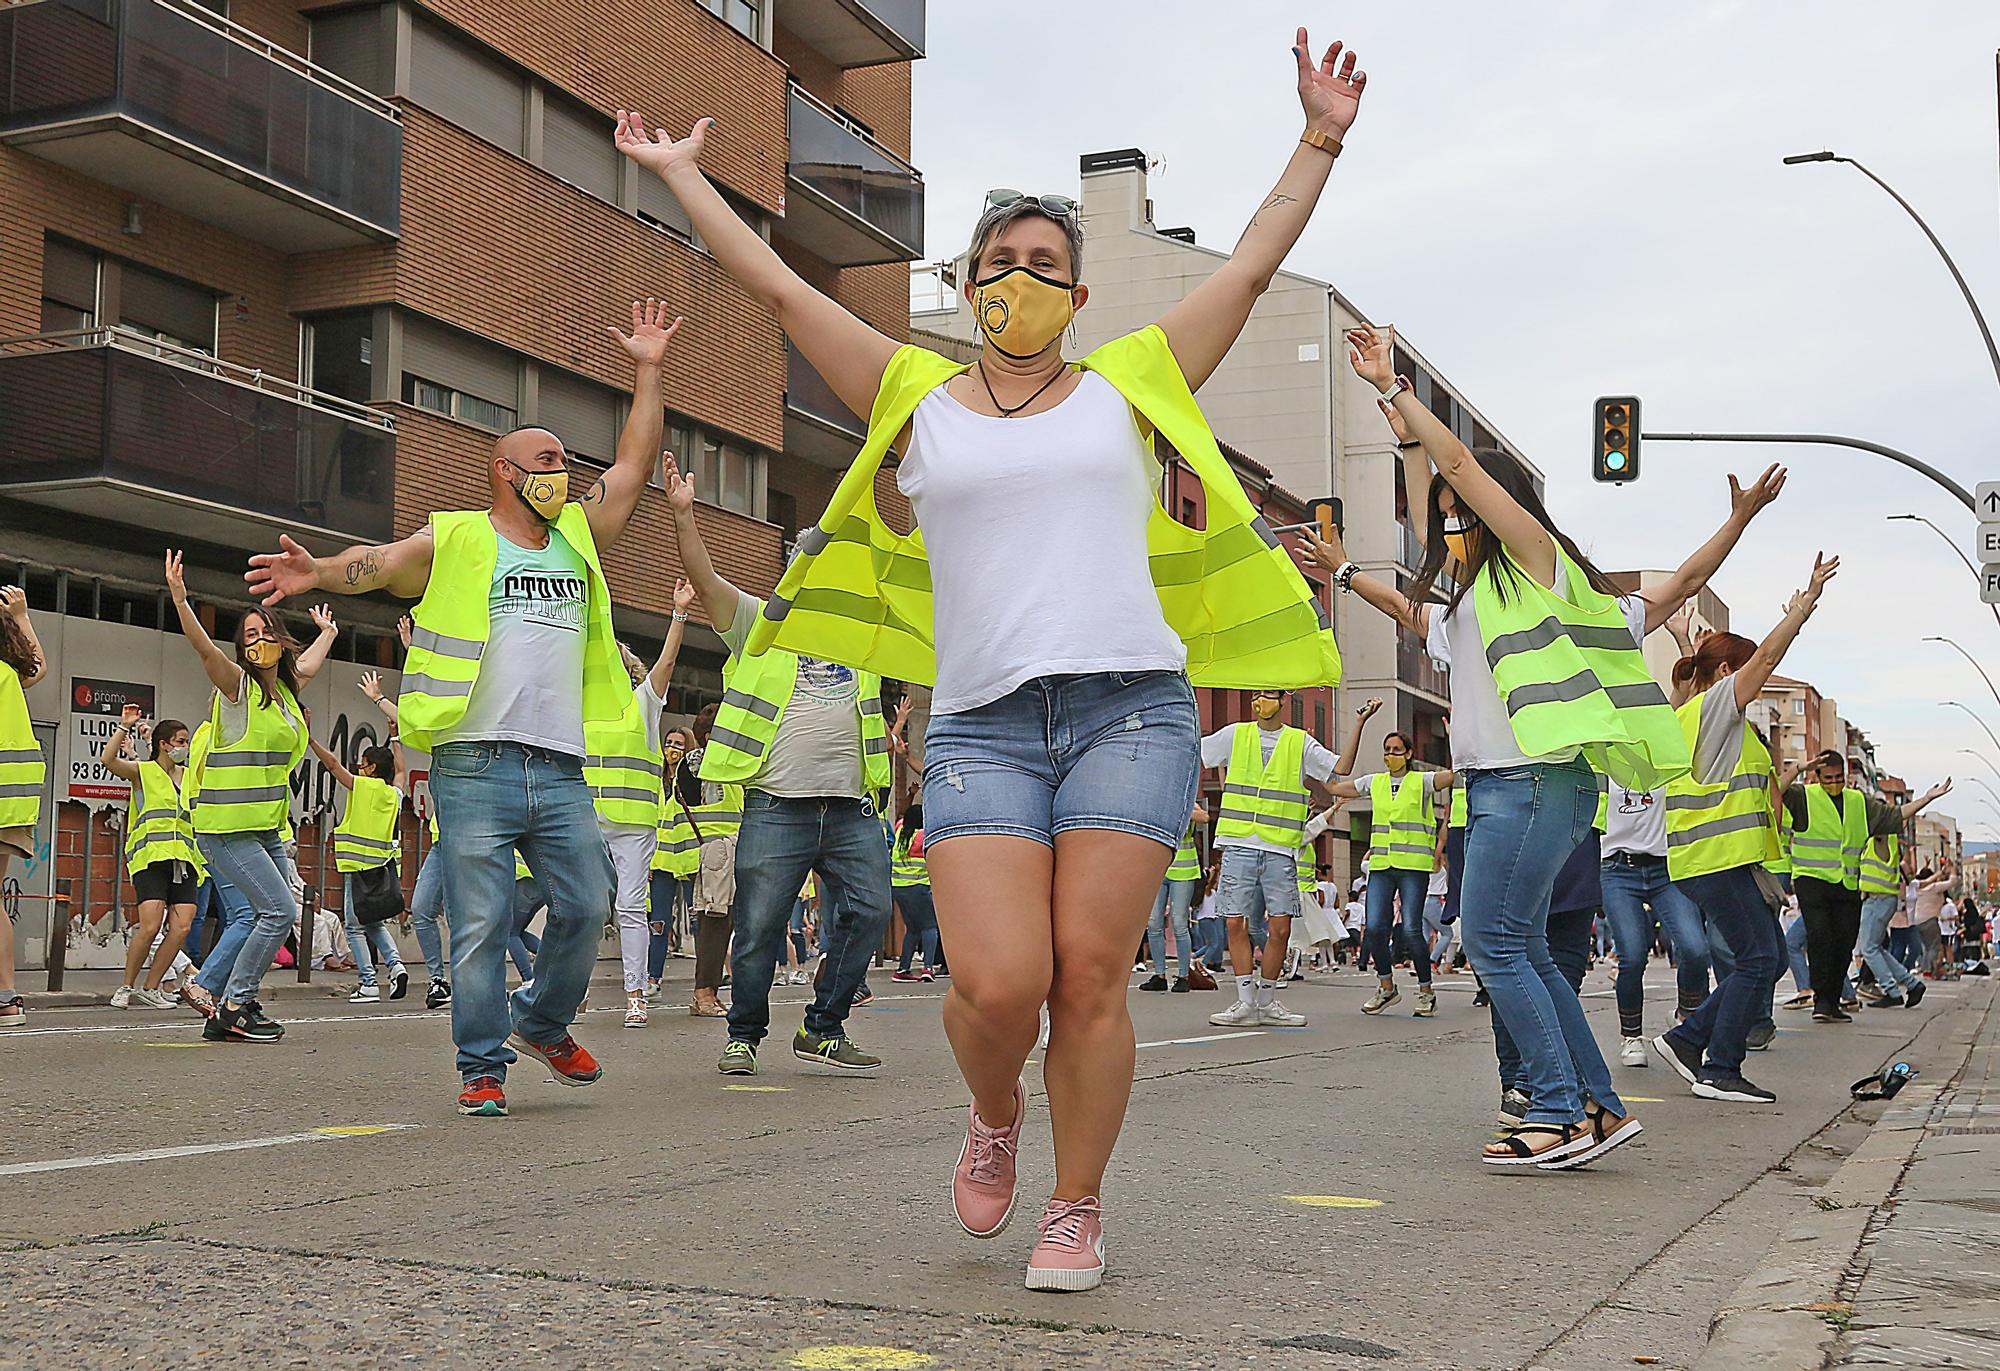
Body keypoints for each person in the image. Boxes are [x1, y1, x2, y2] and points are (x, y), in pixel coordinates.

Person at [613, 27, 1359, 1290]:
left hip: (1131, 712)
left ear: (1078, 295)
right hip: (978, 728)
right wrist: (682, 177)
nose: (1022, 278)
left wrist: (1318, 138)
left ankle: (1075, 1205)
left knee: (1086, 978)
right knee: (998, 986)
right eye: (1001, 261)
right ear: (969, 283)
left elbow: (1249, 262)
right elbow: (783, 295)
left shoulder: (1131, 380)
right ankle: (994, 1110)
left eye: (1046, 265)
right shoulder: (910, 392)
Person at [1298, 336, 1739, 1168]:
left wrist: (1395, 388)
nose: (1448, 527)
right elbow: (1406, 597)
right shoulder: (1470, 606)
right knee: (1524, 946)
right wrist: (1349, 562)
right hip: (1518, 791)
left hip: (1529, 785)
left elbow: (1459, 464)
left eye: (1460, 514)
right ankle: (1597, 1106)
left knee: (1496, 943)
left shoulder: (1539, 566)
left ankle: (1556, 1110)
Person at [246, 300, 682, 1117]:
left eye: (564, 457)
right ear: (506, 472)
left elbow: (632, 461)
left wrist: (648, 369)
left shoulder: (579, 536)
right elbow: (378, 565)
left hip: (557, 763)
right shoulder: (457, 536)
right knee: (480, 924)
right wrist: (320, 572)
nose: (562, 466)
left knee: (587, 904)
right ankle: (482, 1065)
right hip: (473, 762)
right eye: (546, 457)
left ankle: (541, 1021)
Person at [664, 477, 894, 1075]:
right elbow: (710, 587)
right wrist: (685, 518)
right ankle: (744, 1034)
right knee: (760, 925)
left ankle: (823, 1027)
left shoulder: (862, 640)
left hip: (850, 807)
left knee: (868, 911)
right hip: (777, 806)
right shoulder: (760, 626)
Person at [1652, 561, 1835, 1102]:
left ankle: (1689, 1041)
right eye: (1746, 667)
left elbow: (1685, 685)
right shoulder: (1717, 708)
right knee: (1759, 959)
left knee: (1770, 959)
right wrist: (1800, 611)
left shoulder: (1693, 713)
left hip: (1713, 860)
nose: (1757, 677)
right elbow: (1767, 657)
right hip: (1715, 857)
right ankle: (1718, 1067)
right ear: (1730, 669)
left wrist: (1685, 639)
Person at [169, 552, 333, 1043]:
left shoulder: (285, 693)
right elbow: (204, 651)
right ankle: (235, 1004)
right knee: (276, 912)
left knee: (268, 914)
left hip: (263, 827)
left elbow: (307, 664)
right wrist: (180, 599)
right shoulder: (237, 689)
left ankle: (230, 1005)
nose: (258, 643)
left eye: (266, 634)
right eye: (249, 637)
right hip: (225, 828)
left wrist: (328, 632)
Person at [1204, 691, 1343, 1030]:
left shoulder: (1299, 742)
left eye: (1267, 694)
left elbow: (1340, 768)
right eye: (1256, 694)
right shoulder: (1235, 734)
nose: (1259, 700)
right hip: (1238, 841)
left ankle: (1266, 1001)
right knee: (1234, 922)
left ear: (1284, 698)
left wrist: (1361, 722)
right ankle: (1245, 1000)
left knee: (1280, 928)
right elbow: (1197, 750)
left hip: (1281, 848)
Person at [1783, 751, 1949, 1022]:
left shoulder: (1858, 802)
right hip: (1811, 879)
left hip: (1846, 883)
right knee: (1820, 935)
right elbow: (1775, 790)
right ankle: (1822, 1002)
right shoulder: (1804, 796)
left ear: (1846, 776)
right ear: (1817, 777)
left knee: (1845, 942)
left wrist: (1926, 799)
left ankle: (1833, 1001)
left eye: (1839, 778)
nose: (1834, 783)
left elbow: (1895, 816)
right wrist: (1798, 767)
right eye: (1828, 778)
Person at [601, 581, 694, 1028]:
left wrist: (678, 614)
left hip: (634, 826)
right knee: (579, 911)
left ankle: (635, 994)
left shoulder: (643, 702)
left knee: (631, 910)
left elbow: (669, 662)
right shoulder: (583, 706)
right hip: (587, 823)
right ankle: (572, 995)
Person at [1326, 698, 1454, 1017]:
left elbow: (1453, 774)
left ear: (1409, 754)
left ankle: (1426, 991)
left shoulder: (1422, 782)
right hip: (1382, 868)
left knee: (1411, 929)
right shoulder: (1375, 783)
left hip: (1413, 869)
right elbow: (1335, 787)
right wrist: (1359, 723)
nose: (1390, 756)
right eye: (1386, 750)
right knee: (1376, 930)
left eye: (1396, 750)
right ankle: (1386, 987)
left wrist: (1452, 737)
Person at [100, 706, 203, 1011]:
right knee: (150, 927)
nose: (184, 746)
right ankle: (125, 986)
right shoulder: (143, 772)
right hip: (151, 858)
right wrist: (124, 727)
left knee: (182, 927)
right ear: (164, 744)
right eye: (180, 741)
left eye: (186, 742)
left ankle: (152, 986)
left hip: (184, 860)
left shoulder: (189, 776)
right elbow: (108, 760)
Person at [310, 718, 410, 1004]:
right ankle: (396, 966)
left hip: (358, 868)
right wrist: (395, 737)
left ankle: (368, 983)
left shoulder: (361, 787)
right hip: (384, 869)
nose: (358, 767)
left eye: (363, 763)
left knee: (354, 926)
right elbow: (401, 770)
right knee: (373, 923)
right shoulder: (395, 793)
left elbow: (332, 765)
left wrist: (311, 739)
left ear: (372, 768)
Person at [0, 586, 46, 1029]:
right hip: (12, 804)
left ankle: (5, 999)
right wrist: (23, 615)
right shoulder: (9, 674)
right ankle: (6, 999)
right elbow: (39, 666)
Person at [648, 724, 700, 996]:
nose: (672, 748)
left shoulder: (691, 778)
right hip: (661, 861)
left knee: (697, 922)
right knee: (658, 923)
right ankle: (652, 980)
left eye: (679, 744)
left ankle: (704, 984)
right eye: (669, 742)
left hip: (689, 859)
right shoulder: (655, 779)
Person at [1855, 826, 1926, 1009]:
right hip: (1881, 899)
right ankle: (1911, 984)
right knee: (1876, 948)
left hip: (1878, 899)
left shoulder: (1879, 837)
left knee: (1869, 949)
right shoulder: (1888, 839)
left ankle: (1892, 991)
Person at [1141, 806, 1208, 992]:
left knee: (1179, 923)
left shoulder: (1186, 802)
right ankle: (1159, 975)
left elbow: (1204, 817)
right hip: (1157, 869)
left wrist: (1181, 810)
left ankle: (1183, 975)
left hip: (1184, 870)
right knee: (1153, 923)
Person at [892, 785, 940, 983]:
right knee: (930, 926)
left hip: (898, 887)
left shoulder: (900, 831)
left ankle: (903, 968)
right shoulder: (923, 836)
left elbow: (903, 812)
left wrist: (910, 795)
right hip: (919, 887)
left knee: (912, 929)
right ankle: (927, 967)